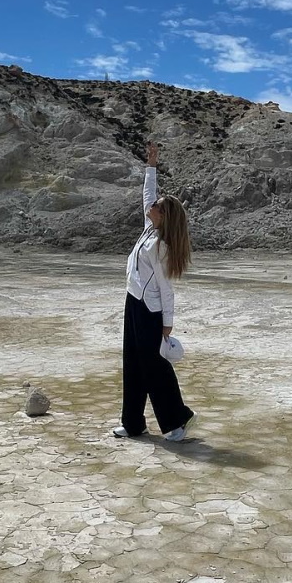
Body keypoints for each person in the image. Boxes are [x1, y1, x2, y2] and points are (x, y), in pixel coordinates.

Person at [113, 141, 198, 442]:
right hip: (133, 302)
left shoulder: (160, 245)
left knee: (153, 366)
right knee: (132, 363)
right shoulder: (148, 229)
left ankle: (178, 419)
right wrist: (151, 165)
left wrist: (167, 322)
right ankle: (133, 423)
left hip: (150, 311)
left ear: (162, 216)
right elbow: (147, 195)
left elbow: (167, 288)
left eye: (157, 206)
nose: (151, 206)